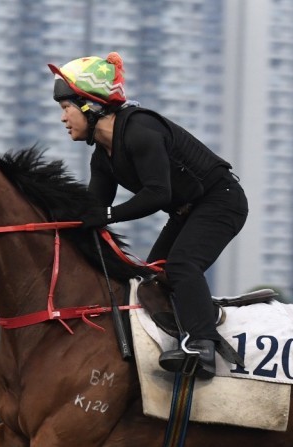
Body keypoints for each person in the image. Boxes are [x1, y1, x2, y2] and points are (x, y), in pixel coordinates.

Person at [48, 52, 248, 379]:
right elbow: (93, 210)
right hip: (189, 210)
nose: (62, 118)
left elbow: (158, 194)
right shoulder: (103, 157)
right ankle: (178, 341)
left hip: (222, 201)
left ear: (89, 105)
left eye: (66, 107)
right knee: (153, 279)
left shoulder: (140, 130)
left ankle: (204, 347)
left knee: (181, 265)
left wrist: (106, 215)